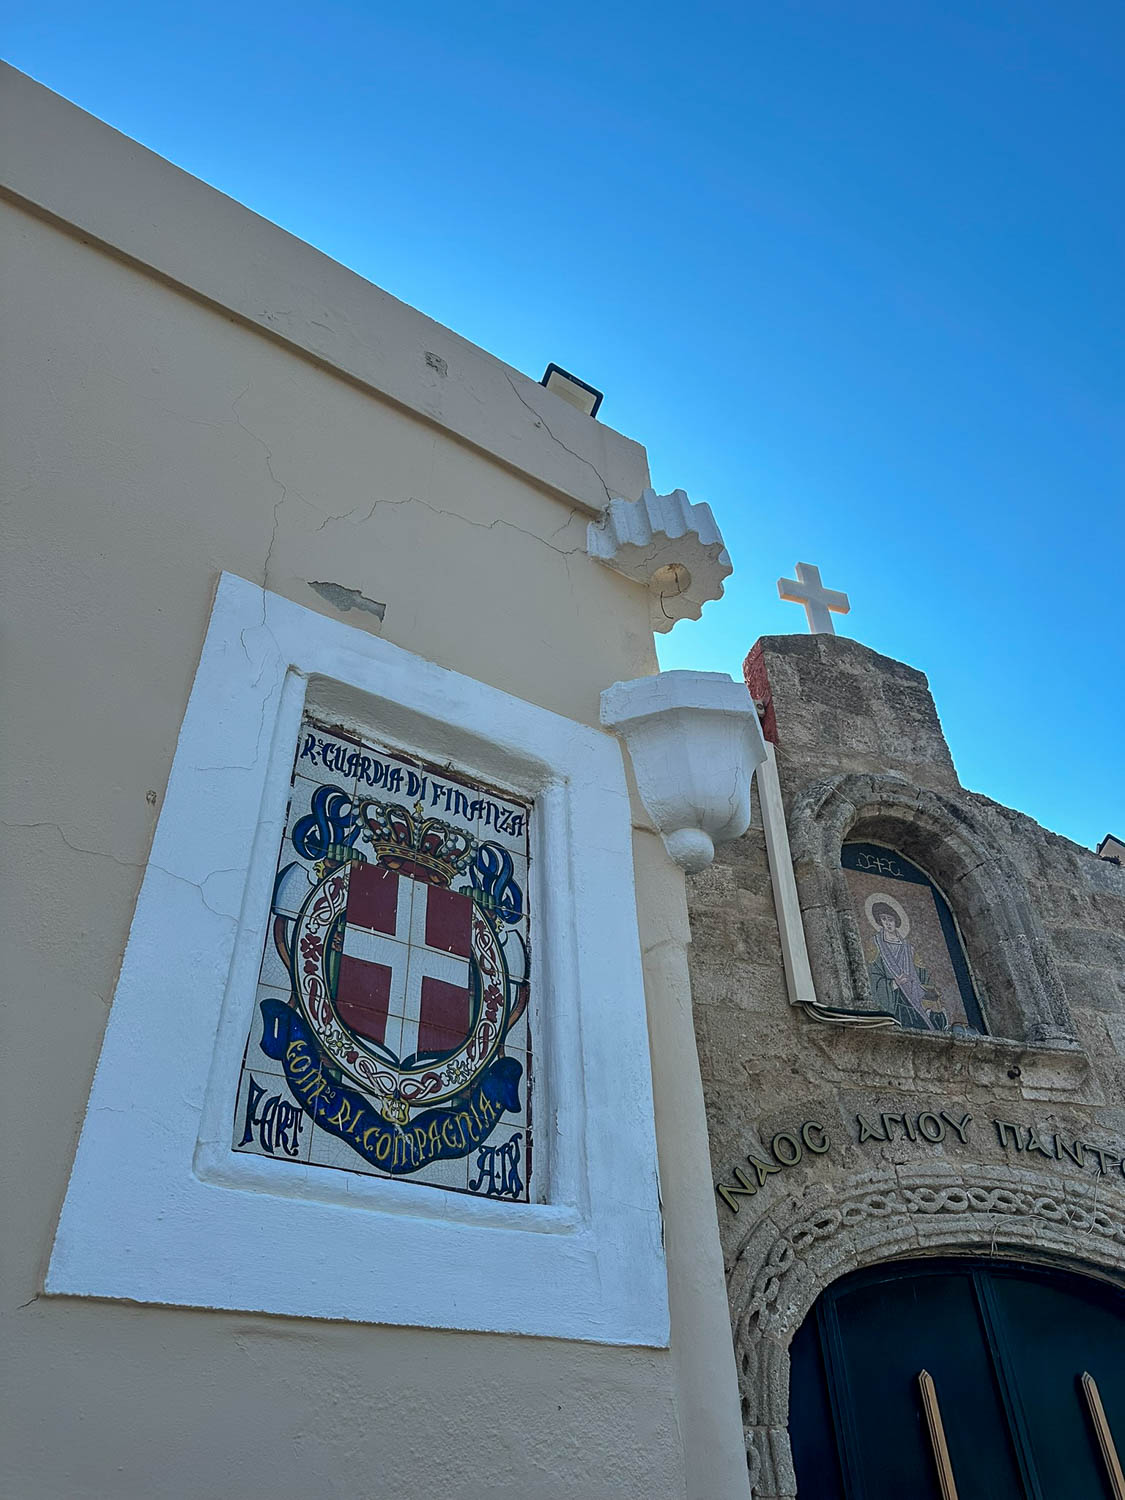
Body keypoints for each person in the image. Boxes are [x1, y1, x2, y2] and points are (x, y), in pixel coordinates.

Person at [866, 901, 948, 1031]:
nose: (887, 923)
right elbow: (873, 975)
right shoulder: (875, 945)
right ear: (879, 921)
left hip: (915, 996)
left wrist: (929, 993)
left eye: (890, 919)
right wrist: (894, 983)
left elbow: (923, 975)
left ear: (896, 921)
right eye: (884, 919)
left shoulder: (909, 948)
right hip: (897, 999)